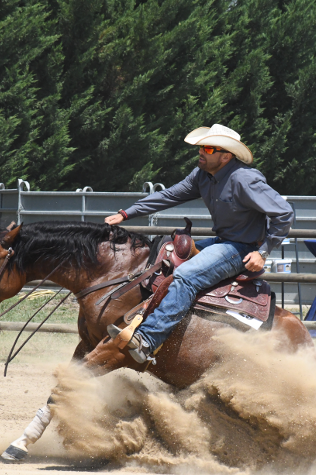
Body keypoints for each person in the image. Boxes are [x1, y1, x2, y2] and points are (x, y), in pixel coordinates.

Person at [102, 123, 294, 363]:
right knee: (163, 254)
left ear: (226, 156)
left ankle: (148, 341)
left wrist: (263, 253)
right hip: (222, 241)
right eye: (201, 146)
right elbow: (169, 195)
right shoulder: (202, 176)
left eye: (209, 148)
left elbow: (284, 213)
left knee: (187, 276)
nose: (201, 151)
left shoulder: (244, 179)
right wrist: (127, 213)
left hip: (240, 248)